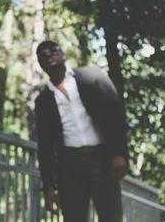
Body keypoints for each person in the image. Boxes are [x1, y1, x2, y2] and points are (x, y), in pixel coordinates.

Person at [34, 40, 129, 222]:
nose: (49, 55)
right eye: (43, 55)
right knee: (74, 217)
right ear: (40, 64)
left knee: (111, 216)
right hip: (69, 166)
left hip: (102, 158)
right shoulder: (43, 101)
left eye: (53, 50)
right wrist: (48, 186)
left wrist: (119, 153)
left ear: (63, 54)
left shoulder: (92, 77)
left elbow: (116, 115)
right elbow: (45, 146)